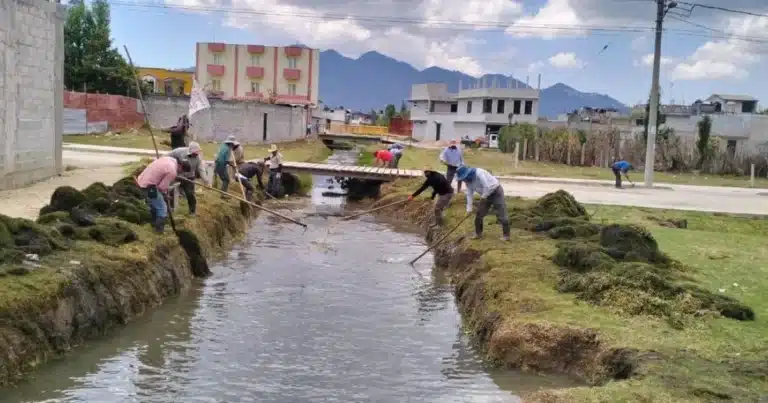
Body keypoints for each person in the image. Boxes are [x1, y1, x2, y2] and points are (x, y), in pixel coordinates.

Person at [137, 156, 190, 233]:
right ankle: (159, 230)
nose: (180, 172)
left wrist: (163, 194)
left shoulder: (168, 159)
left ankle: (154, 224)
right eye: (182, 171)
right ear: (180, 166)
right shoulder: (172, 171)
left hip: (143, 180)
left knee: (155, 205)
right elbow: (162, 187)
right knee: (162, 208)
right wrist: (165, 195)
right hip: (150, 186)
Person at [457, 165, 510, 241]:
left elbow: (487, 187)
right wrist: (469, 209)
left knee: (501, 214)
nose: (464, 180)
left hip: (496, 191)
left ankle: (506, 235)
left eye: (464, 178)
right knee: (479, 214)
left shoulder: (479, 173)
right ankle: (478, 234)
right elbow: (469, 194)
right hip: (485, 195)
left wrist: (483, 198)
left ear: (467, 174)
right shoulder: (467, 182)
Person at [166, 141, 206, 216]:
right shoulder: (179, 151)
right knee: (171, 191)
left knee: (190, 194)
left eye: (197, 152)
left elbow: (201, 170)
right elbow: (167, 157)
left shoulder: (198, 159)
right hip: (177, 175)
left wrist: (206, 181)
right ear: (190, 151)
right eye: (195, 152)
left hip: (189, 177)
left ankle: (192, 211)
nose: (196, 154)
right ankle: (170, 209)